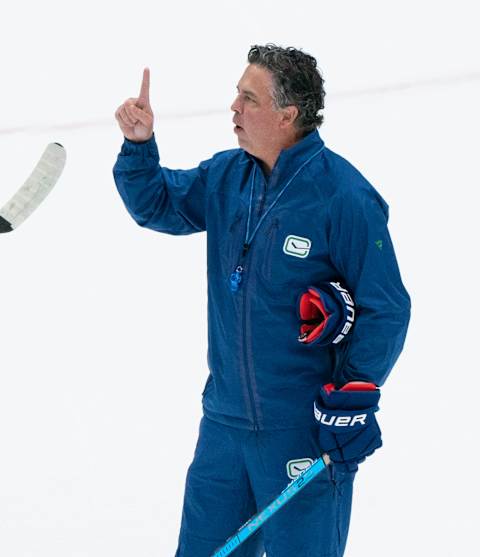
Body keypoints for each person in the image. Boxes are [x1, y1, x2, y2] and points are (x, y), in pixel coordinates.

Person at [113, 44, 411, 557]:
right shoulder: (227, 176)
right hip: (224, 427)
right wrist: (140, 147)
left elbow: (386, 308)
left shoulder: (343, 195)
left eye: (248, 98)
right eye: (236, 94)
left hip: (302, 432)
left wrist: (351, 399)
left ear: (287, 115)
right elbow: (159, 204)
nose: (234, 107)